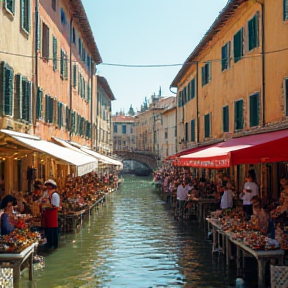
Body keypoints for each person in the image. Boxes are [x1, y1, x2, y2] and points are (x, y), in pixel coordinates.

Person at [42, 179, 60, 249]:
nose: (47, 187)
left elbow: (55, 206)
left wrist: (46, 206)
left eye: (49, 186)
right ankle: (49, 244)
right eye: (47, 186)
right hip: (48, 215)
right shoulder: (47, 193)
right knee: (48, 230)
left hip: (52, 215)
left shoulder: (54, 194)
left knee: (52, 230)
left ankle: (53, 245)